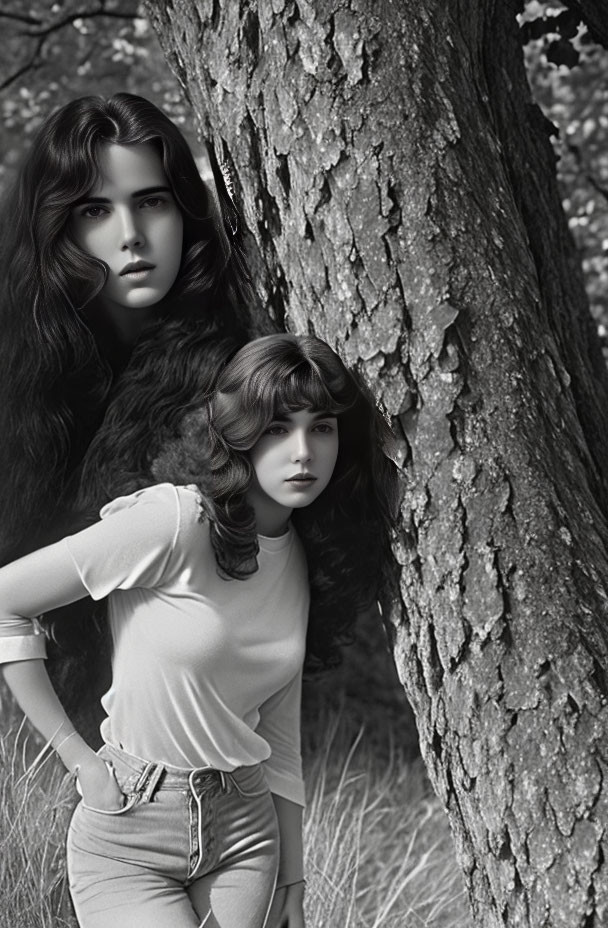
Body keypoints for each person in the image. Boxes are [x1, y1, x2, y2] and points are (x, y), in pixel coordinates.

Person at [0, 333, 399, 928]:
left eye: (322, 428)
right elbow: (7, 600)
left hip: (245, 836)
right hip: (131, 831)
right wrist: (78, 760)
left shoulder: (299, 560)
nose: (303, 452)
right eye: (276, 427)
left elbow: (280, 743)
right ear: (238, 431)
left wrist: (294, 878)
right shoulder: (174, 521)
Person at [0, 91, 254, 570]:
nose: (131, 233)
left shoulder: (237, 371)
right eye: (95, 211)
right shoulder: (24, 363)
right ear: (59, 229)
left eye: (153, 201)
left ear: (184, 210)